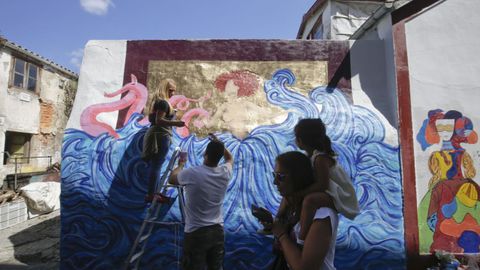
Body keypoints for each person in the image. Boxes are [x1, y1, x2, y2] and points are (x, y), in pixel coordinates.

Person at [279, 118, 359, 240]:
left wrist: (300, 193)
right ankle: (279, 221)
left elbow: (322, 185)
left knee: (309, 200)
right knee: (290, 194)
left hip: (338, 196)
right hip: (328, 192)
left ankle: (302, 236)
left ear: (300, 140)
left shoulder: (320, 158)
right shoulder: (310, 157)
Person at [168, 134, 233, 270]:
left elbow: (172, 179)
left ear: (205, 153)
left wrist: (180, 165)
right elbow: (229, 158)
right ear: (219, 157)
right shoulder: (225, 172)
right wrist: (219, 143)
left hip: (196, 232)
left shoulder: (192, 173)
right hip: (217, 231)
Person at [271, 151, 339, 270]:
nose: (275, 182)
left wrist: (282, 236)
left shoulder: (322, 215)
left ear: (298, 177)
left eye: (281, 177)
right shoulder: (292, 207)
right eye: (274, 175)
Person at [142, 79, 185, 202]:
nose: (172, 93)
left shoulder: (158, 103)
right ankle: (151, 194)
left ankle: (154, 192)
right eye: (170, 90)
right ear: (164, 88)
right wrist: (175, 122)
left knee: (156, 165)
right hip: (161, 136)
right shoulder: (163, 103)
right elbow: (158, 121)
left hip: (158, 135)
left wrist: (171, 113)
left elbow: (153, 119)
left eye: (174, 91)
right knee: (157, 166)